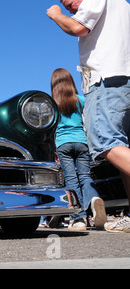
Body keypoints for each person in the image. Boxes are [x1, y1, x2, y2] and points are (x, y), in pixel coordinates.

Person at [47, 0, 130, 233]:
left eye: (71, 5)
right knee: (122, 148)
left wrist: (56, 14)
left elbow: (77, 28)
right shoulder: (123, 6)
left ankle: (78, 214)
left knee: (106, 142)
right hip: (123, 79)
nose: (72, 11)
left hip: (107, 80)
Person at [51, 68, 106, 231]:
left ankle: (79, 218)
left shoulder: (53, 103)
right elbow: (88, 121)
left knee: (71, 179)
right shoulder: (81, 100)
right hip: (82, 142)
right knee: (85, 176)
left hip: (63, 143)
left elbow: (51, 127)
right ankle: (94, 199)